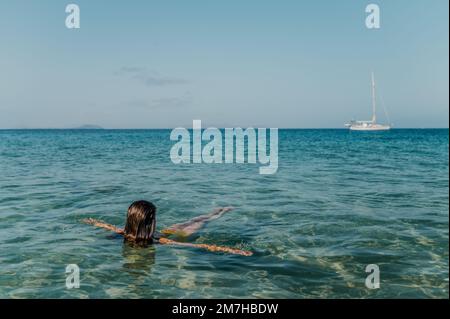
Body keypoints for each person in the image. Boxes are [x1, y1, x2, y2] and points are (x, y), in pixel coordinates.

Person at [83, 200, 252, 256]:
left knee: (194, 220)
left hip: (167, 232)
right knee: (198, 222)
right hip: (173, 235)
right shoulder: (158, 241)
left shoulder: (123, 233)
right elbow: (195, 245)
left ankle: (216, 212)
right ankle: (217, 212)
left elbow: (109, 226)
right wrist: (230, 250)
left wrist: (93, 222)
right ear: (149, 222)